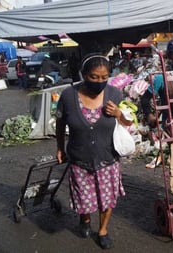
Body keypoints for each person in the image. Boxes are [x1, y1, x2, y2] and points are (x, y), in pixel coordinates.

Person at [55, 55, 132, 250]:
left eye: (104, 77)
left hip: (107, 158)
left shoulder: (115, 94)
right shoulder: (68, 96)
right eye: (94, 77)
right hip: (79, 159)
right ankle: (85, 219)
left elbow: (129, 123)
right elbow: (60, 122)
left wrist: (118, 114)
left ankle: (103, 230)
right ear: (84, 74)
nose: (99, 81)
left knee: (107, 199)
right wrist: (59, 147)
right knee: (83, 197)